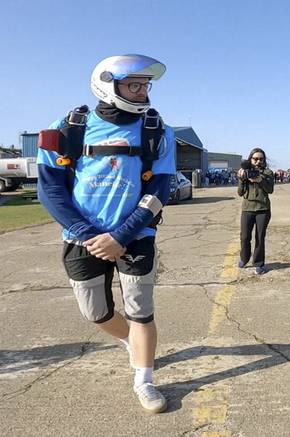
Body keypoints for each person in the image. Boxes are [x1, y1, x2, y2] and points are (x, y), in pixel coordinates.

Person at [36, 54, 175, 413]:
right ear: (107, 84)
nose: (143, 92)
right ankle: (131, 341)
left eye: (146, 85)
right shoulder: (67, 128)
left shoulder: (158, 131)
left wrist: (123, 235)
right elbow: (50, 189)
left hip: (136, 237)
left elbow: (160, 189)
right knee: (94, 313)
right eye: (134, 85)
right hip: (82, 237)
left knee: (141, 312)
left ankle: (144, 380)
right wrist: (85, 232)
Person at [237, 148, 274, 275]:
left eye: (261, 159)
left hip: (263, 210)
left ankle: (259, 263)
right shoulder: (245, 172)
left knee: (260, 237)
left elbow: (270, 190)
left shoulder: (268, 173)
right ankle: (244, 258)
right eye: (255, 159)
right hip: (247, 209)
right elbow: (240, 193)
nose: (258, 161)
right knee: (245, 236)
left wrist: (261, 180)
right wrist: (242, 179)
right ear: (250, 159)